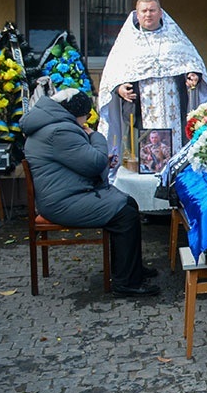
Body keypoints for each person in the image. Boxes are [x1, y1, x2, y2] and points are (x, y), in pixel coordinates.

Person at [21, 89, 159, 297]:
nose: (86, 121)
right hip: (63, 202)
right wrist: (95, 135)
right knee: (125, 215)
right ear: (78, 113)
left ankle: (130, 269)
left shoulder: (51, 125)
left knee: (129, 203)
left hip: (68, 193)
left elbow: (82, 162)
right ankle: (126, 283)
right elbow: (94, 164)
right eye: (86, 116)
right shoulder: (59, 131)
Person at [98, 0, 207, 161]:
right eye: (143, 11)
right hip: (140, 108)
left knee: (175, 149)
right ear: (137, 15)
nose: (148, 14)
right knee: (144, 154)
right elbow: (114, 74)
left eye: (152, 10)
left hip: (173, 106)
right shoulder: (127, 42)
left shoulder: (174, 39)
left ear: (160, 13)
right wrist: (120, 89)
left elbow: (191, 62)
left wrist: (193, 76)